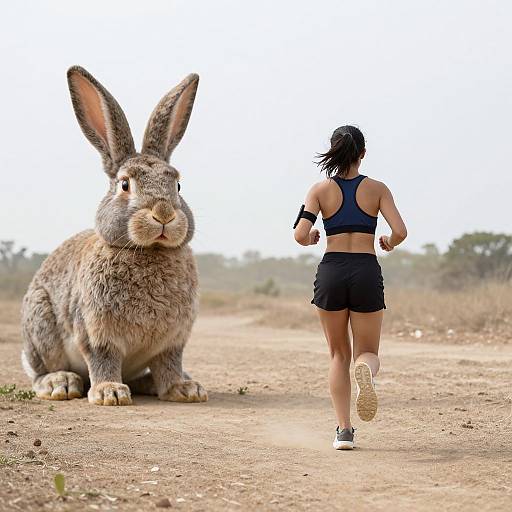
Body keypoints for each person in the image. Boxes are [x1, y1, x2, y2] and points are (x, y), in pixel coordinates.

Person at [293, 126, 407, 450]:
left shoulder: (319, 190)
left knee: (337, 354)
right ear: (363, 154)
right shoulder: (377, 189)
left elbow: (300, 234)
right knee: (367, 353)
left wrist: (312, 237)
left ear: (333, 151)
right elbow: (400, 230)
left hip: (331, 270)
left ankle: (344, 431)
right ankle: (365, 371)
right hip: (366, 270)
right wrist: (389, 241)